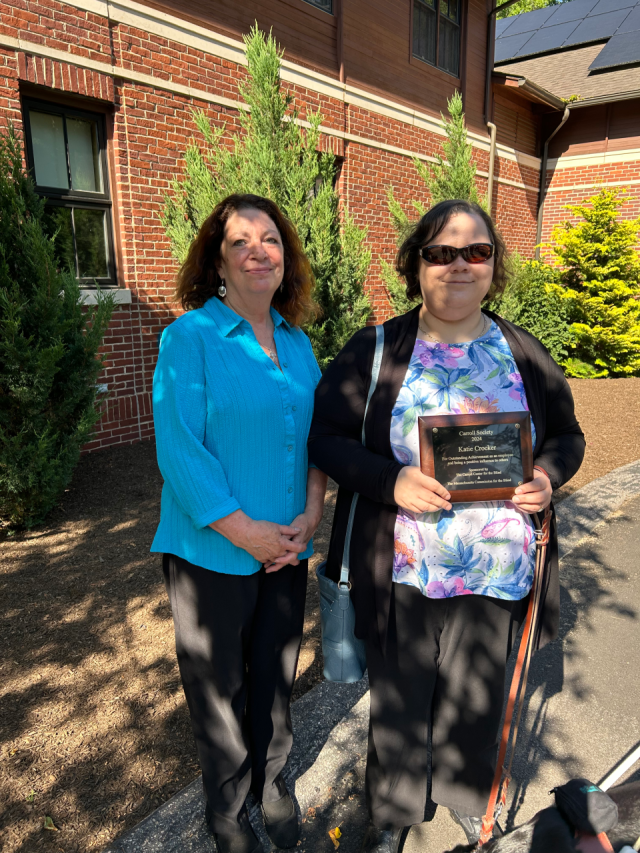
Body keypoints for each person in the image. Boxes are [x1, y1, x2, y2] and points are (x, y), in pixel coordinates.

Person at [308, 200, 585, 853]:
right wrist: (390, 480)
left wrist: (546, 475)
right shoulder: (376, 350)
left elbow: (568, 437)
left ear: (494, 266)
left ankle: (463, 796)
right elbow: (324, 436)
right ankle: (396, 809)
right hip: (403, 568)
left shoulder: (525, 353)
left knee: (475, 697)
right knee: (400, 700)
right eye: (441, 251)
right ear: (416, 263)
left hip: (497, 572)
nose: (459, 265)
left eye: (476, 252)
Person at [151, 193, 327, 853]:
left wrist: (312, 511)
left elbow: (319, 437)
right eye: (241, 242)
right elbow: (179, 448)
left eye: (271, 240)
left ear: (285, 259)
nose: (260, 251)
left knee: (275, 670)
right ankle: (226, 810)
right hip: (210, 553)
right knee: (218, 686)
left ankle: (273, 779)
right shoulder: (189, 338)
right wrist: (242, 530)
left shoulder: (297, 342)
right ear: (217, 262)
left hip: (286, 547)